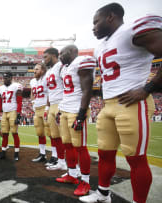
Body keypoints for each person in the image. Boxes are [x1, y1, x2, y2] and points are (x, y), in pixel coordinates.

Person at [80, 3, 162, 203]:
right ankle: (103, 194)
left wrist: (147, 89)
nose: (93, 27)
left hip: (131, 103)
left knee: (135, 159)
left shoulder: (131, 30)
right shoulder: (100, 47)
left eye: (96, 22)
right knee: (105, 153)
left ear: (111, 16)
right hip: (108, 105)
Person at [55, 45, 96, 196]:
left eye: (63, 53)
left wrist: (81, 114)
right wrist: (60, 110)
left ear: (72, 52)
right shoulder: (66, 68)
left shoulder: (81, 61)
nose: (60, 56)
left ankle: (85, 181)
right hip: (65, 109)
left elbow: (87, 89)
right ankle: (72, 174)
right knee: (67, 144)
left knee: (80, 146)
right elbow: (66, 92)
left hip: (76, 110)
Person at [43, 48, 67, 170]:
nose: (44, 59)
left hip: (61, 103)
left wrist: (64, 104)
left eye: (46, 57)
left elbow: (68, 84)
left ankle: (74, 166)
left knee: (65, 137)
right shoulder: (48, 72)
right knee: (55, 136)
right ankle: (61, 161)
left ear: (53, 55)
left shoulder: (61, 66)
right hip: (52, 104)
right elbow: (48, 92)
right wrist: (47, 108)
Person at [0, 72, 23, 161]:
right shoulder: (0, 88)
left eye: (6, 78)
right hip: (4, 112)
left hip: (13, 111)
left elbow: (19, 101)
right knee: (5, 133)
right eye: (4, 78)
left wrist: (18, 114)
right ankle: (3, 152)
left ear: (11, 78)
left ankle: (16, 153)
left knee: (14, 133)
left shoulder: (16, 86)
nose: (5, 79)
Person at [30, 63, 48, 163]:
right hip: (37, 108)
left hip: (45, 107)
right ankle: (42, 154)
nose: (34, 71)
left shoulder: (46, 78)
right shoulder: (32, 81)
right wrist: (33, 102)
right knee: (40, 133)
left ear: (43, 70)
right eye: (34, 69)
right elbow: (32, 92)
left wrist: (48, 107)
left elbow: (51, 92)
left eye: (37, 69)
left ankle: (56, 156)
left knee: (52, 133)